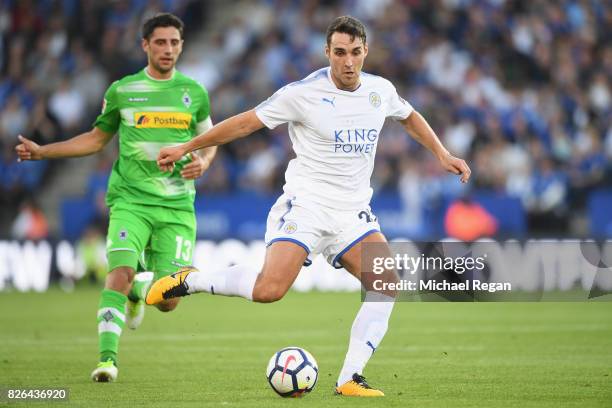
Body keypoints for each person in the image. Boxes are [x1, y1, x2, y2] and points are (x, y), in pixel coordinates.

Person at [147, 15, 471, 397]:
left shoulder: (379, 90)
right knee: (269, 290)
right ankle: (192, 279)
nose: (348, 62)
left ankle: (350, 378)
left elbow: (409, 116)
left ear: (366, 51)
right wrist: (187, 147)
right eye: (339, 53)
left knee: (386, 284)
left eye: (354, 52)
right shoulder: (301, 93)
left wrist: (442, 153)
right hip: (307, 207)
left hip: (352, 214)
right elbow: (245, 124)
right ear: (327, 53)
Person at [15, 13, 217, 382]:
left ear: (182, 45)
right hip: (130, 201)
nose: (168, 49)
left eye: (174, 42)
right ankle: (107, 360)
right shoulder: (124, 90)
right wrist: (44, 151)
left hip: (177, 207)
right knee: (119, 272)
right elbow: (94, 139)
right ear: (145, 45)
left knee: (170, 300)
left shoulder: (195, 93)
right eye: (160, 42)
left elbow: (211, 139)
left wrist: (202, 162)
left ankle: (142, 288)